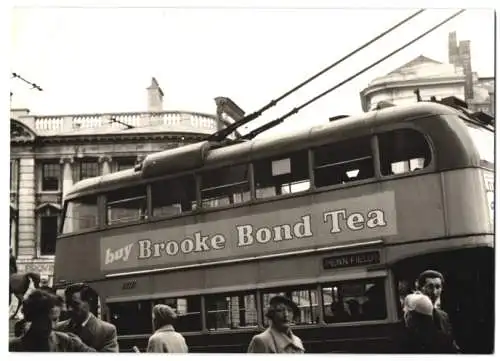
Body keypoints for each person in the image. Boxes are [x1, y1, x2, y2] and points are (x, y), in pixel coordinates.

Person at [9, 289, 95, 352]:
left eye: (55, 319)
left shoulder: (68, 342)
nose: (52, 326)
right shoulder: (12, 348)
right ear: (33, 317)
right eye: (45, 320)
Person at [54, 283, 118, 352]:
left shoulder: (107, 331)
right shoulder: (58, 328)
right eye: (67, 304)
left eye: (75, 304)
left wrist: (81, 347)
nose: (69, 309)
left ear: (89, 303)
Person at [417, 270, 459, 352]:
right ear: (421, 289)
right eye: (430, 287)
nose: (434, 292)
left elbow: (452, 346)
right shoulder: (411, 316)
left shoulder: (444, 316)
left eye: (438, 287)